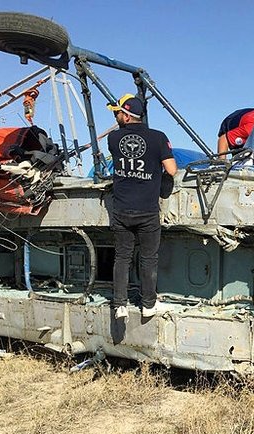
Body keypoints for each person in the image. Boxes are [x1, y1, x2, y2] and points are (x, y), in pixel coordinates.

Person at [106, 94, 177, 319]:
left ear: (127, 116)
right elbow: (172, 170)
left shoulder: (113, 138)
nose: (116, 117)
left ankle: (119, 304)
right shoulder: (158, 137)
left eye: (118, 113)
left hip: (121, 209)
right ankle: (148, 305)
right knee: (148, 258)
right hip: (147, 210)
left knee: (122, 257)